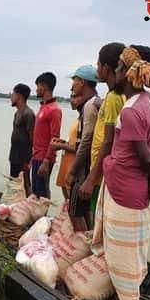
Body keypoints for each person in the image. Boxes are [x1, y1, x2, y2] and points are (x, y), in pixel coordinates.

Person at [91, 45, 150, 300]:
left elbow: (147, 155)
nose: (115, 72)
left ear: (126, 72)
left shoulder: (131, 111)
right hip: (133, 189)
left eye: (119, 68)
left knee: (123, 252)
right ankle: (127, 299)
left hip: (125, 191)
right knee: (132, 246)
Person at [78, 43, 126, 221]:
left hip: (102, 174)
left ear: (106, 68)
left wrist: (91, 179)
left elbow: (108, 141)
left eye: (98, 64)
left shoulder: (114, 98)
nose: (97, 68)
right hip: (103, 172)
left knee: (101, 220)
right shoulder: (112, 97)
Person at [59, 66, 101, 231]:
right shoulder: (98, 102)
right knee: (85, 211)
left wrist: (73, 170)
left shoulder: (90, 105)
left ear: (82, 82)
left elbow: (87, 140)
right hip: (93, 170)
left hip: (84, 170)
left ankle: (83, 246)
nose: (73, 85)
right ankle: (90, 243)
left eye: (74, 81)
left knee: (75, 212)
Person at [32, 72, 62, 198]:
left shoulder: (54, 110)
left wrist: (46, 160)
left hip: (44, 158)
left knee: (42, 193)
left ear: (43, 87)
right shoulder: (43, 107)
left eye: (38, 86)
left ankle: (42, 217)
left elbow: (54, 137)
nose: (36, 89)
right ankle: (35, 215)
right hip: (36, 155)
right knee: (36, 191)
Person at [9, 83, 35, 195]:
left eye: (13, 94)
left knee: (25, 184)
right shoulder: (17, 113)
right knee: (14, 182)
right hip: (14, 154)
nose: (11, 97)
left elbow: (32, 138)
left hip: (23, 156)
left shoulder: (28, 114)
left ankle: (28, 206)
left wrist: (29, 160)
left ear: (19, 96)